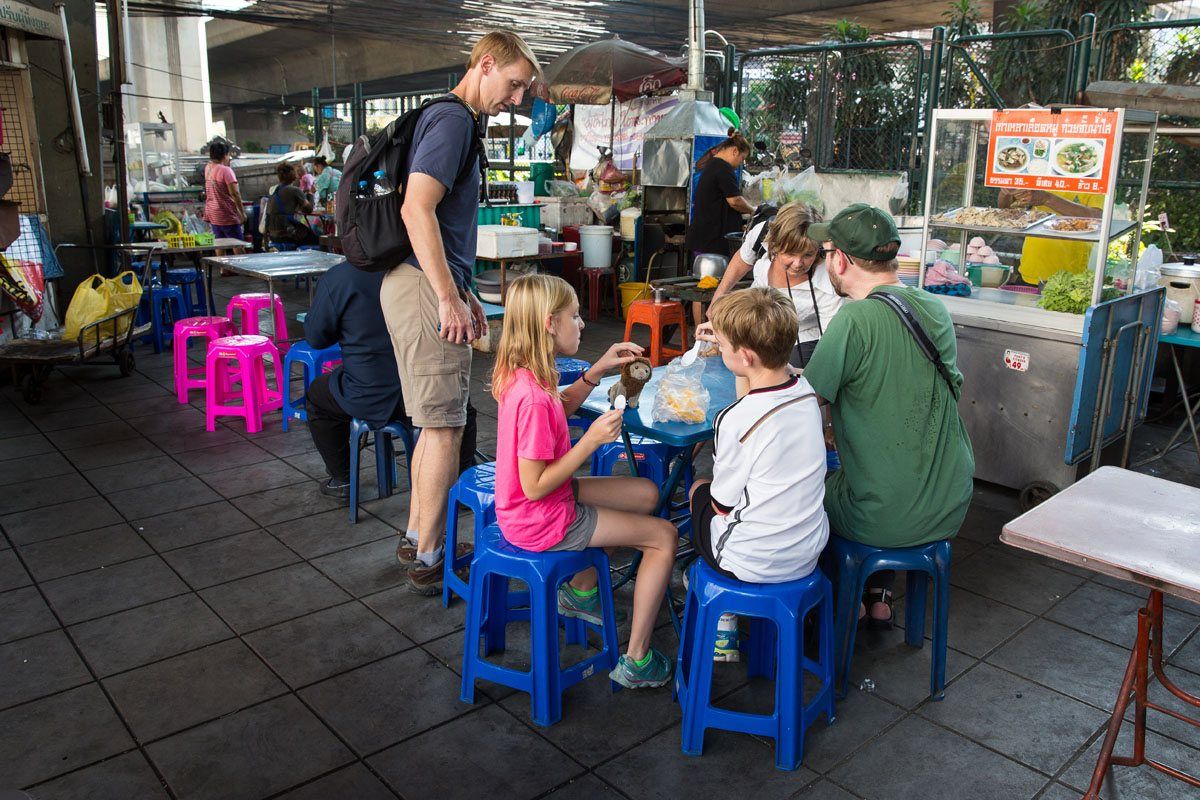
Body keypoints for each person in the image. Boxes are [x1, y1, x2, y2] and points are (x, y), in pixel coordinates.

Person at [380, 30, 540, 595]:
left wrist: (464, 289)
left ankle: (417, 536)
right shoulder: (453, 121)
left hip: (424, 282)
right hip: (424, 288)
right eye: (515, 85)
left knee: (435, 424)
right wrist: (447, 295)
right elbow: (416, 208)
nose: (516, 100)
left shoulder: (450, 120)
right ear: (487, 64)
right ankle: (430, 556)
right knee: (445, 427)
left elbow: (440, 223)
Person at [492, 274, 678, 689]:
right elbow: (535, 485)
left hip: (531, 506)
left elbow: (563, 405)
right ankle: (637, 658)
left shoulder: (525, 376)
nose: (581, 324)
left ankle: (580, 590)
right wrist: (591, 441)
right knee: (664, 536)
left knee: (645, 493)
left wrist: (597, 370)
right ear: (548, 323)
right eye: (574, 316)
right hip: (540, 516)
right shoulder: (534, 399)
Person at [802, 204, 974, 627]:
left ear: (839, 260)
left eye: (826, 254)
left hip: (884, 516)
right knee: (871, 473)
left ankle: (839, 611)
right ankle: (876, 596)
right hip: (951, 501)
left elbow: (803, 403)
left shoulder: (855, 318)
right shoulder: (932, 308)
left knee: (798, 502)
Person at [689, 288, 829, 660]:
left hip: (753, 560)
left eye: (723, 346)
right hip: (808, 552)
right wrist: (725, 337)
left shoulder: (735, 420)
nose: (720, 350)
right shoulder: (806, 392)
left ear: (745, 356)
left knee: (698, 491)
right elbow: (756, 390)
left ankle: (722, 615)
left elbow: (721, 505)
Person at [303, 260, 479, 508]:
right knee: (458, 398)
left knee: (316, 395)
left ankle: (342, 479)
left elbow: (316, 337)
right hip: (427, 389)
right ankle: (462, 478)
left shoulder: (340, 278)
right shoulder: (431, 272)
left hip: (369, 394)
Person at [709, 202, 845, 371]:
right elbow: (742, 260)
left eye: (808, 255)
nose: (798, 264)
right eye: (790, 254)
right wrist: (718, 298)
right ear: (774, 245)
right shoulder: (763, 233)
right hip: (757, 321)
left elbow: (830, 345)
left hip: (802, 336)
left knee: (777, 369)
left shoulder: (828, 281)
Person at [998, 188, 1103, 285]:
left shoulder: (1094, 181)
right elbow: (1005, 211)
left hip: (1067, 276)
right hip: (1030, 269)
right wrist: (1005, 192)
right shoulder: (1043, 174)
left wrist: (1048, 199)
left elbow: (1097, 216)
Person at [685, 130, 754, 259]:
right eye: (742, 158)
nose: (740, 163)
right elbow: (735, 200)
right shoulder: (723, 168)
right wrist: (753, 210)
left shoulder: (714, 165)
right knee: (710, 278)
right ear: (735, 151)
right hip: (711, 242)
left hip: (707, 239)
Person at [202, 139, 246, 244]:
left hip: (213, 214)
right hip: (226, 214)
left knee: (219, 244)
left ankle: (218, 261)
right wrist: (242, 213)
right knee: (237, 244)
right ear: (224, 155)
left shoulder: (208, 168)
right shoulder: (225, 170)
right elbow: (235, 194)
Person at [266, 162, 319, 247]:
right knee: (317, 239)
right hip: (286, 234)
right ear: (293, 175)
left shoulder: (274, 191)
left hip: (273, 235)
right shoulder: (295, 191)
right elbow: (309, 209)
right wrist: (311, 193)